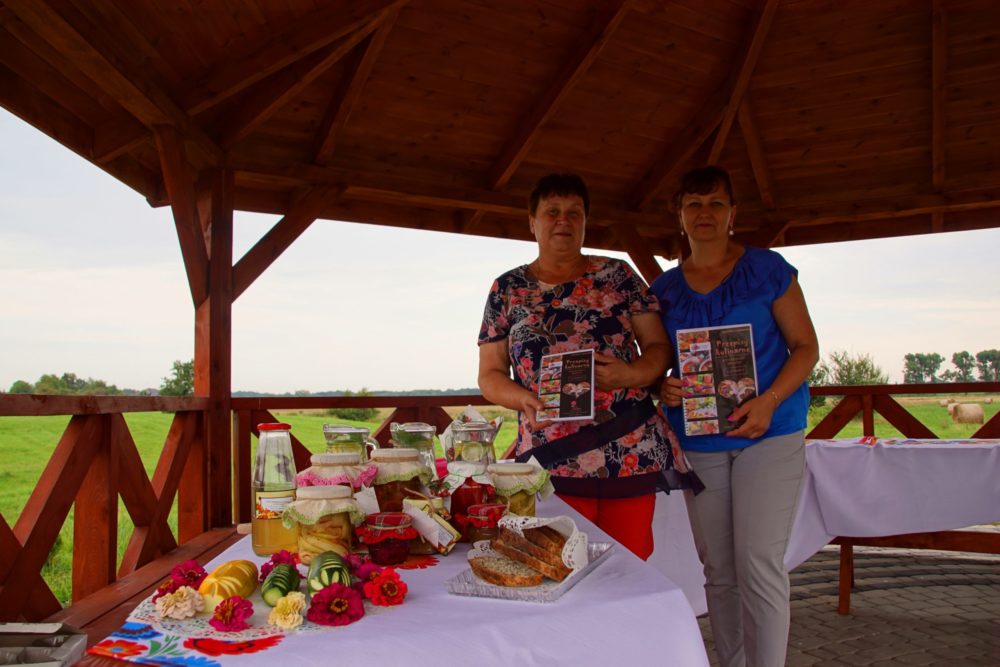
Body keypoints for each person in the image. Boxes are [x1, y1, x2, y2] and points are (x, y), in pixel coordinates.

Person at [650, 166, 819, 667]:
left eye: (715, 203)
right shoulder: (663, 289)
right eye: (694, 204)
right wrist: (665, 385)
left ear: (732, 213)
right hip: (700, 441)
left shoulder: (768, 270)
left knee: (758, 564)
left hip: (770, 434)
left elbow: (806, 347)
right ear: (680, 215)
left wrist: (769, 400)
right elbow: (660, 362)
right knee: (719, 570)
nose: (705, 213)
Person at [477, 173, 676, 560]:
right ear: (532, 222)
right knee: (558, 565)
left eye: (574, 213)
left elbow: (658, 347)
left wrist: (632, 374)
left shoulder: (618, 276)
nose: (563, 221)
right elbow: (490, 374)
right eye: (552, 212)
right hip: (550, 457)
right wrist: (523, 398)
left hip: (627, 450)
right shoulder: (507, 288)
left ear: (586, 221)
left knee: (628, 567)